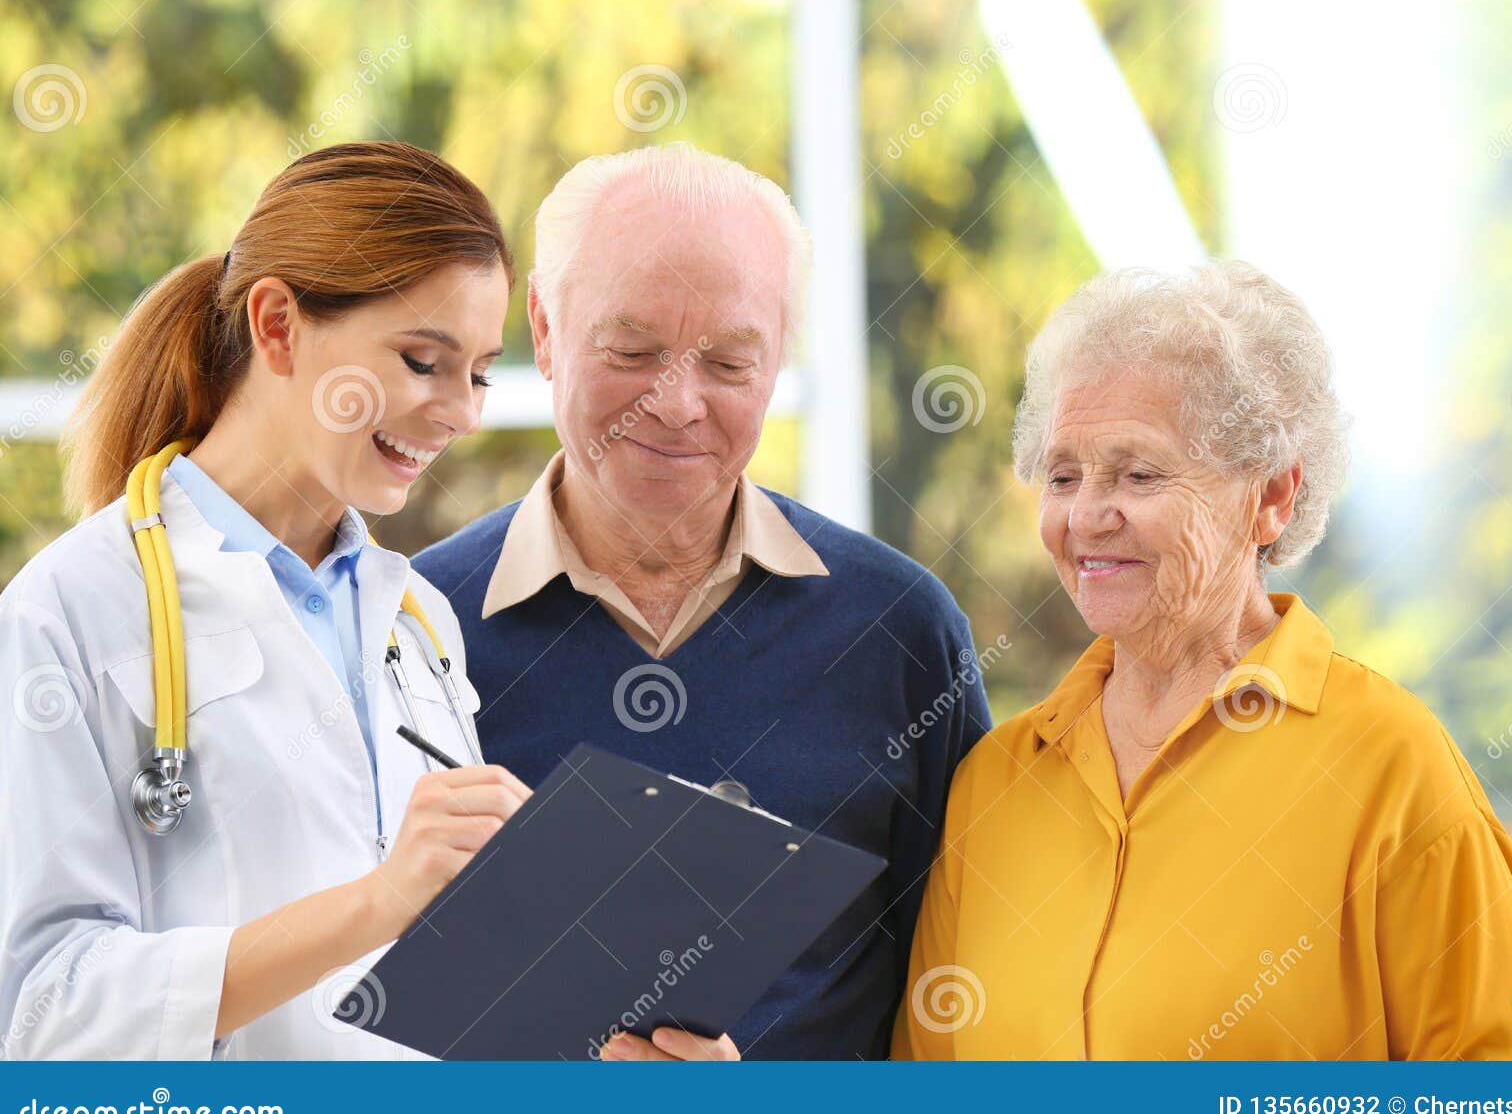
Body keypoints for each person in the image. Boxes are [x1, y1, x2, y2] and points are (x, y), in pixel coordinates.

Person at [413, 143, 993, 1061]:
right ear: (547, 329)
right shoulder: (415, 628)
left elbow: (964, 1009)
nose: (676, 403)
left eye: (728, 362)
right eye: (632, 349)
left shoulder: (900, 632)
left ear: (780, 359)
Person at [893, 260, 1512, 1060]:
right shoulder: (994, 781)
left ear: (1271, 495)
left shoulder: (1395, 770)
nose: (1088, 515)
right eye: (1063, 475)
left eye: (1139, 473)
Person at [0, 141, 534, 1059]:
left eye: (480, 372)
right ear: (278, 324)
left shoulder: (419, 625)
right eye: (422, 360)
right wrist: (374, 902)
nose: (462, 413)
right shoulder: (68, 613)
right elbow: (43, 1017)